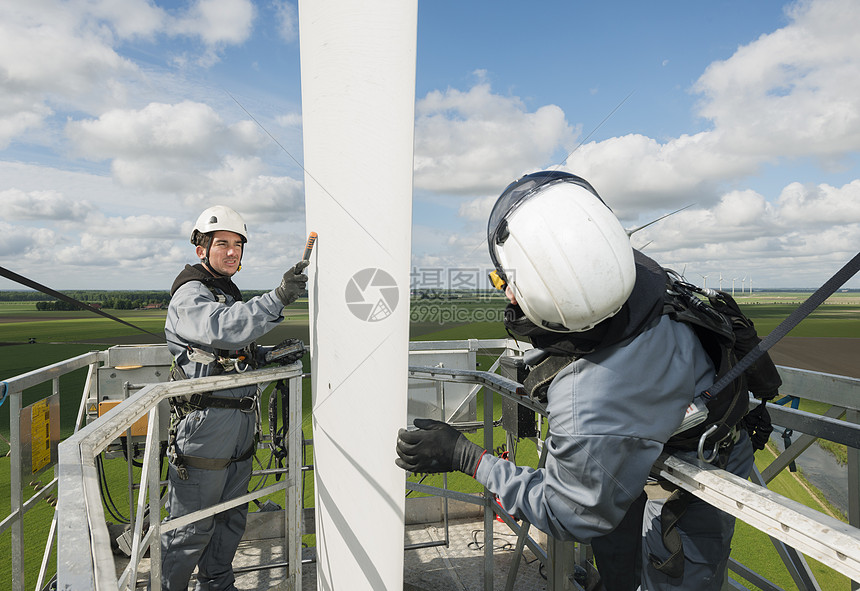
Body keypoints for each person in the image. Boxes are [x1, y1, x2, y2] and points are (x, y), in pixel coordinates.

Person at [395, 171, 757, 590]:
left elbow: (567, 512)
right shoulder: (631, 275)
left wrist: (466, 457)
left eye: (507, 281)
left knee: (679, 571)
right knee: (620, 533)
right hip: (675, 434)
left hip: (701, 468)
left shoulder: (590, 400)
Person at [161, 205, 308, 591]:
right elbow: (221, 329)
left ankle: (218, 586)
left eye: (237, 245)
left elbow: (226, 353)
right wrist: (276, 298)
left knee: (230, 518)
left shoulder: (224, 291)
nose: (231, 252)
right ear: (201, 249)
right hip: (206, 425)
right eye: (221, 244)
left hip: (239, 424)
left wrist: (264, 356)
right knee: (189, 526)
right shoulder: (190, 294)